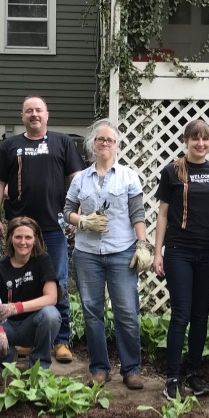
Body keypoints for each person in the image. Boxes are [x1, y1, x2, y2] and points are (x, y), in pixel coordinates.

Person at [0, 96, 86, 364]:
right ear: (22, 116)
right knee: (23, 283)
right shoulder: (10, 145)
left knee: (58, 283)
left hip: (53, 227)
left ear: (47, 114)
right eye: (29, 111)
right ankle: (28, 339)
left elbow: (76, 180)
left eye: (38, 110)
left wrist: (74, 217)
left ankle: (61, 340)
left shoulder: (62, 142)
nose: (34, 114)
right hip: (19, 228)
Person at [64, 119, 152, 388]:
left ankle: (132, 369)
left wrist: (143, 244)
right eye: (100, 139)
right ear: (92, 144)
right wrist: (82, 221)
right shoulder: (80, 178)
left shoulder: (128, 176)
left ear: (116, 146)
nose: (104, 144)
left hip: (120, 251)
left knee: (126, 311)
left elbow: (137, 213)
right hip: (87, 253)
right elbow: (67, 211)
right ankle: (99, 368)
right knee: (92, 311)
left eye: (109, 140)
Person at [154, 119, 209, 400]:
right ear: (186, 141)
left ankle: (194, 373)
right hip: (179, 251)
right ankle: (172, 377)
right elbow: (161, 214)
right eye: (195, 138)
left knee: (200, 315)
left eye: (205, 139)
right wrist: (157, 251)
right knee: (181, 314)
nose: (200, 143)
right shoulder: (172, 171)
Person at [0, 217, 62, 368]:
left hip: (33, 325)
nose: (23, 242)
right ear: (10, 239)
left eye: (28, 237)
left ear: (35, 240)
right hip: (6, 325)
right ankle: (7, 363)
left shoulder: (42, 260)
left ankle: (39, 368)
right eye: (18, 237)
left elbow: (51, 297)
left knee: (51, 314)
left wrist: (15, 307)